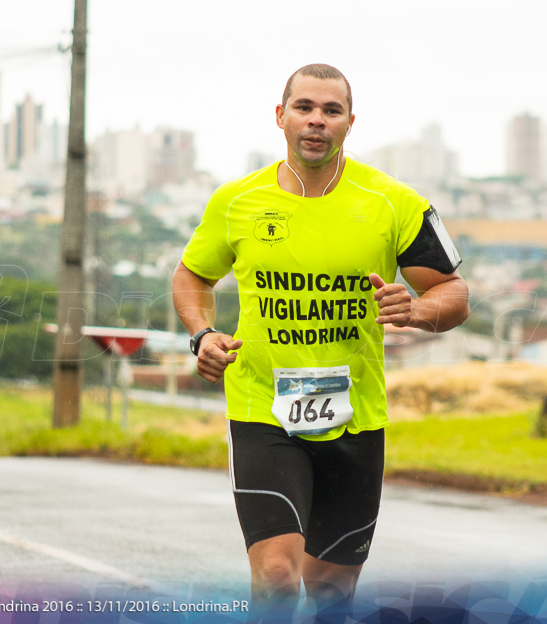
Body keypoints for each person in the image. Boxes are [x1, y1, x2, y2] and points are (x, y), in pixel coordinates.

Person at [172, 64, 470, 621]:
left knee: (331, 591)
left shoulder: (393, 202)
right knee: (277, 575)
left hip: (356, 416)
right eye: (304, 107)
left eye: (331, 111)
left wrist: (417, 309)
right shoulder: (238, 201)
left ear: (350, 123)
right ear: (280, 116)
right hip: (263, 408)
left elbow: (454, 295)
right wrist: (202, 334)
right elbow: (191, 277)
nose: (316, 120)